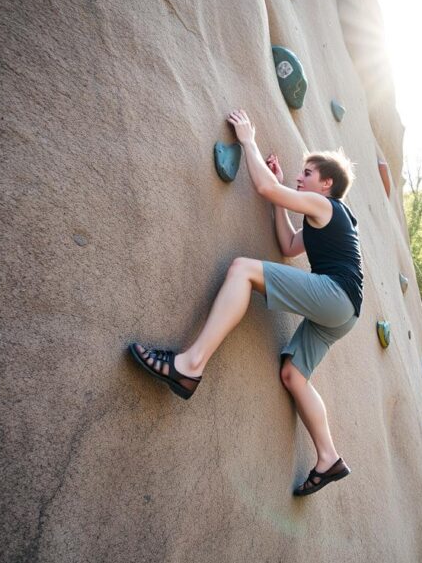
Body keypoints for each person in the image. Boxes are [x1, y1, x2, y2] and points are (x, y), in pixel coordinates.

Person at [128, 109, 364, 496]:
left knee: (241, 270)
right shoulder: (325, 218)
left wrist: (248, 141)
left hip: (336, 295)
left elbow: (268, 190)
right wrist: (279, 198)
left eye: (306, 174)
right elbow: (289, 246)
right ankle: (328, 457)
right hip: (344, 313)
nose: (299, 178)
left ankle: (189, 365)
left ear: (327, 184)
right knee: (293, 374)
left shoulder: (328, 207)